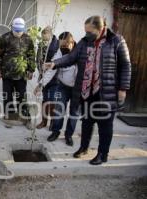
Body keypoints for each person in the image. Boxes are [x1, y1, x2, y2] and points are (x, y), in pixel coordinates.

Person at [44, 16, 131, 165]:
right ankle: (83, 148)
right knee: (86, 123)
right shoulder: (84, 43)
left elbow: (125, 66)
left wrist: (123, 88)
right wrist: (54, 64)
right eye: (86, 32)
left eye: (90, 32)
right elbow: (71, 58)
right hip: (86, 91)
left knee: (105, 125)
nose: (87, 34)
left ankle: (102, 154)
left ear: (101, 28)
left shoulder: (116, 41)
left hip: (106, 92)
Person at [0, 18, 35, 125]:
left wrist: (31, 70)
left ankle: (26, 119)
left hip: (22, 74)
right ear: (12, 27)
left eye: (20, 30)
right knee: (7, 96)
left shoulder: (28, 39)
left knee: (22, 97)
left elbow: (31, 55)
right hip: (7, 74)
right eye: (16, 30)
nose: (18, 32)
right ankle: (10, 118)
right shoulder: (5, 38)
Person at [46, 32, 78, 146]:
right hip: (62, 86)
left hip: (77, 89)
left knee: (74, 113)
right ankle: (55, 132)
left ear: (72, 43)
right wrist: (41, 84)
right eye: (61, 46)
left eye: (65, 46)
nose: (62, 48)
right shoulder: (59, 52)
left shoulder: (80, 52)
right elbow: (51, 69)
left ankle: (68, 135)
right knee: (59, 110)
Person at [34, 26, 59, 130]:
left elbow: (56, 64)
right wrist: (40, 70)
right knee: (45, 100)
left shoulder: (57, 45)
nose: (43, 39)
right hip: (43, 75)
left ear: (50, 35)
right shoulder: (41, 44)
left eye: (45, 37)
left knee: (52, 100)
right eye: (42, 37)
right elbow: (38, 59)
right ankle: (44, 122)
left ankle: (53, 123)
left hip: (54, 77)